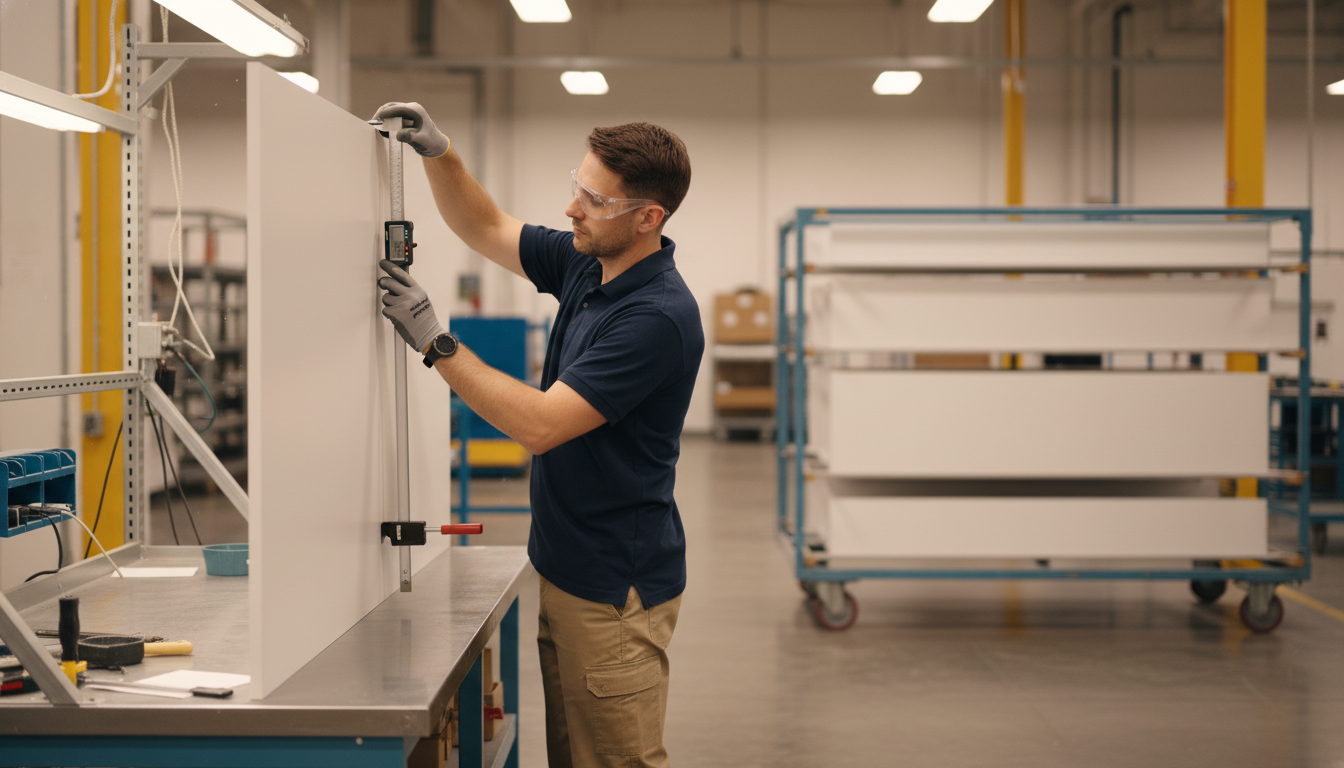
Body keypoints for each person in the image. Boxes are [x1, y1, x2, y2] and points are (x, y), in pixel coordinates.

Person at [373, 102, 701, 768]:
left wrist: (437, 342)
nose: (573, 208)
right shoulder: (590, 265)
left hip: (614, 590)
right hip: (567, 565)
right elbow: (485, 224)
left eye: (594, 198)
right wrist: (441, 154)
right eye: (576, 186)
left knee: (614, 760)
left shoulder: (656, 316)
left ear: (648, 218)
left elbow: (540, 424)